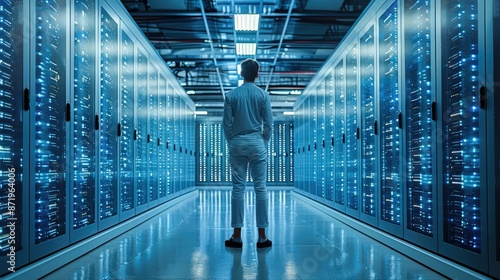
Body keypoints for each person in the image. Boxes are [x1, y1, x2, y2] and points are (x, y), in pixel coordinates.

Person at [222, 58, 273, 249]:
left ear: (241, 73)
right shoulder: (263, 95)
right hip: (257, 141)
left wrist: (232, 141)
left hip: (237, 142)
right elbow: (268, 124)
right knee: (261, 188)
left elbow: (226, 123)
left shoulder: (231, 95)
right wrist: (263, 141)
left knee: (238, 189)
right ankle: (262, 237)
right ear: (257, 74)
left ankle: (236, 237)